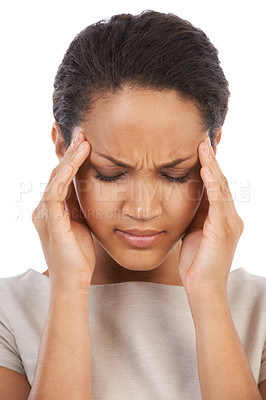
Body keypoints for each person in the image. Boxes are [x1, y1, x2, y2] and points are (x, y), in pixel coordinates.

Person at [0, 9, 265, 400]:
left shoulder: (258, 309)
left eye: (175, 174)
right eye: (110, 173)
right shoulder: (9, 311)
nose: (142, 209)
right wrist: (69, 291)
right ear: (62, 148)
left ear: (213, 149)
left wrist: (209, 295)